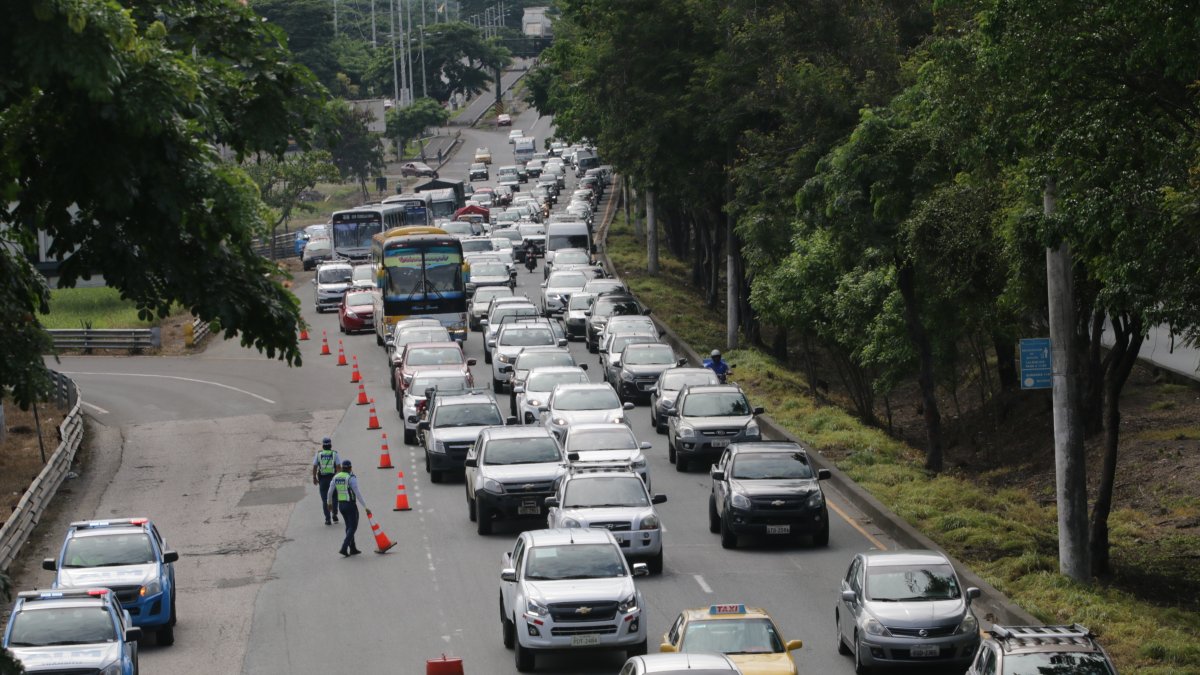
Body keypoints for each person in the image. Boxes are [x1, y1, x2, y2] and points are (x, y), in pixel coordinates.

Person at [328, 460, 372, 557]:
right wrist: (365, 506)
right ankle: (344, 547)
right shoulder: (351, 478)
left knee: (348, 526)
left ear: (343, 467)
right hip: (350, 505)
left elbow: (330, 492)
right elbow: (358, 493)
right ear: (350, 468)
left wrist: (329, 503)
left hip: (341, 505)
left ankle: (352, 548)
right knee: (353, 527)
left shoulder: (336, 477)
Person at [312, 437, 340, 525]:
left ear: (323, 445)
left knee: (325, 500)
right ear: (330, 445)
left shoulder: (319, 454)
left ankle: (328, 519)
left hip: (323, 480)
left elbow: (315, 467)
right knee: (334, 497)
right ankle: (334, 513)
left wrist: (314, 477)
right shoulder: (335, 454)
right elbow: (339, 467)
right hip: (333, 478)